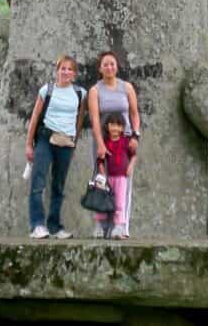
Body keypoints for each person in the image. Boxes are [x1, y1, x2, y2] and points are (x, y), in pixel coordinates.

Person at [25, 54, 86, 240]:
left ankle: (55, 226)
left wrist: (74, 141)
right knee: (38, 182)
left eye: (70, 69)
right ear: (57, 71)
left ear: (74, 74)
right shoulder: (47, 90)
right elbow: (35, 117)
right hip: (45, 138)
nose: (66, 72)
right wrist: (29, 144)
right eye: (63, 68)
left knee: (58, 185)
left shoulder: (80, 93)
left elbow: (80, 118)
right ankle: (37, 225)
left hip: (66, 141)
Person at [88, 49, 140, 235]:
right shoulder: (95, 91)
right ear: (100, 68)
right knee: (101, 181)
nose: (109, 67)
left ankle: (121, 226)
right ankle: (102, 225)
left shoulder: (126, 87)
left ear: (116, 66)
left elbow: (134, 114)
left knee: (122, 183)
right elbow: (94, 119)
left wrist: (135, 135)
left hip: (124, 141)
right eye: (105, 64)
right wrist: (100, 143)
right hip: (103, 140)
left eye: (112, 64)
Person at [93, 111, 136, 239]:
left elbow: (133, 155)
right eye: (112, 124)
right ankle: (101, 227)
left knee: (119, 203)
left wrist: (130, 167)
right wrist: (102, 174)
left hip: (121, 178)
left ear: (122, 128)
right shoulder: (105, 142)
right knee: (103, 202)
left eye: (118, 125)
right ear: (107, 126)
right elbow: (100, 160)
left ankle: (118, 228)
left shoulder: (125, 141)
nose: (115, 128)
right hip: (107, 178)